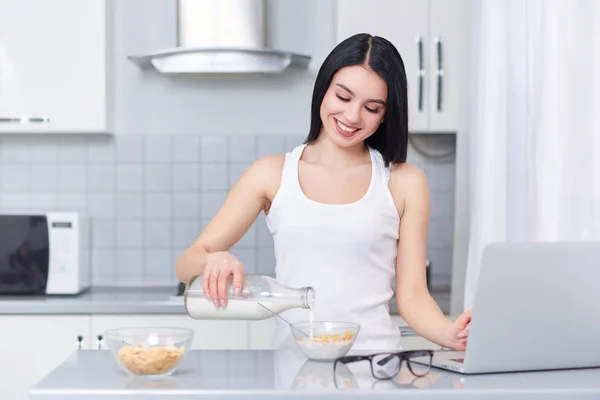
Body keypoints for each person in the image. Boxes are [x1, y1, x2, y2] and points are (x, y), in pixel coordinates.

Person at [176, 33, 471, 351]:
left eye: (371, 108)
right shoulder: (271, 174)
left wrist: (449, 333)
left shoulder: (405, 182)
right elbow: (186, 264)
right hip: (295, 369)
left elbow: (412, 294)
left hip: (376, 367)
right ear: (324, 90)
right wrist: (214, 259)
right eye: (343, 97)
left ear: (386, 114)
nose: (352, 116)